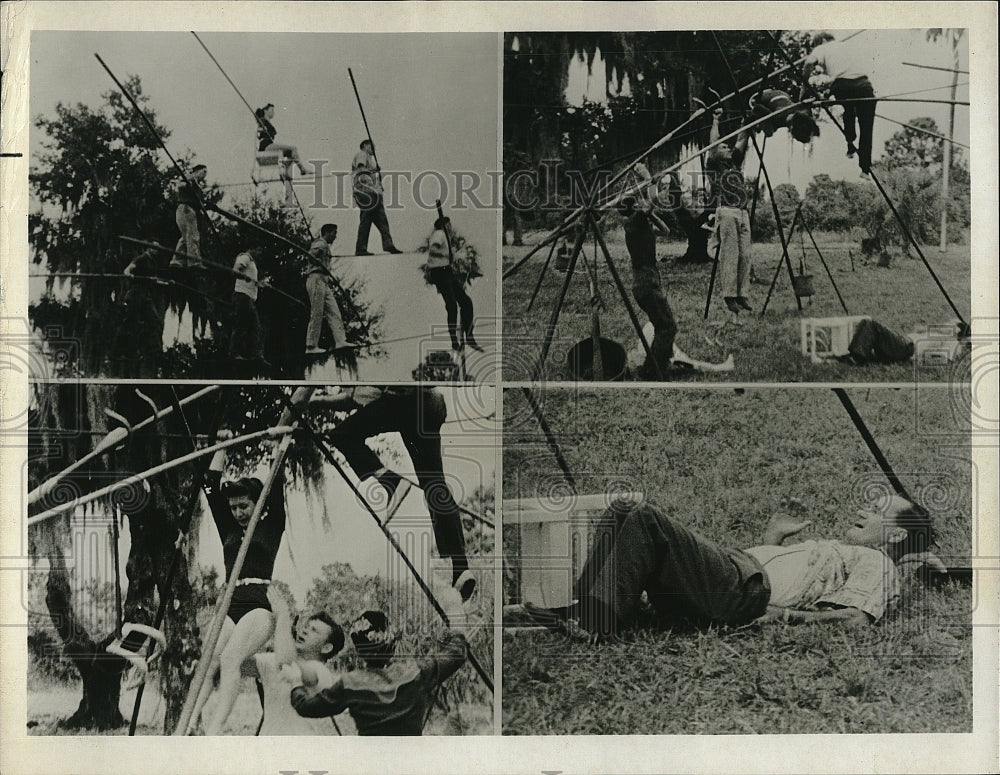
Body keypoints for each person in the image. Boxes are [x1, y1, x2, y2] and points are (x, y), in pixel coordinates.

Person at [514, 493, 938, 640]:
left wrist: (786, 618)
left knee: (643, 518)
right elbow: (783, 575)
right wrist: (773, 535)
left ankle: (598, 620)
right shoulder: (854, 553)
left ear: (896, 536)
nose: (866, 508)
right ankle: (587, 606)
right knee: (625, 509)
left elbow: (858, 620)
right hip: (738, 574)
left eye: (879, 510)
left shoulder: (880, 563)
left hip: (740, 590)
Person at [313, 386, 476, 601]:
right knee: (434, 484)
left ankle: (391, 483)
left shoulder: (365, 365)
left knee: (343, 434)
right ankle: (461, 567)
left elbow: (359, 398)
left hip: (407, 403)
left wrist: (317, 402)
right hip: (432, 403)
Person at [190, 444, 289, 735]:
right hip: (231, 601)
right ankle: (191, 722)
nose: (237, 512)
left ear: (258, 503)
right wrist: (223, 445)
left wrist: (278, 448)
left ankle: (216, 729)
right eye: (233, 507)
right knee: (207, 662)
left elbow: (278, 481)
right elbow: (209, 485)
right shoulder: (230, 528)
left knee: (231, 658)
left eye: (244, 506)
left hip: (259, 603)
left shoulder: (272, 525)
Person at [288, 609, 469, 735]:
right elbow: (458, 651)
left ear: (359, 651)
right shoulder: (416, 673)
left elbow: (305, 707)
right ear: (391, 645)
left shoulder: (350, 683)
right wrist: (455, 612)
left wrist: (296, 682)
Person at [245, 588, 346, 736]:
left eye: (314, 630)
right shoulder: (273, 660)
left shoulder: (321, 673)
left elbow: (286, 662)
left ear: (326, 648)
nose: (304, 631)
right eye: (305, 627)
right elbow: (234, 663)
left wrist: (283, 615)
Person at [801, 33, 877, 177]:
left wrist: (804, 89)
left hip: (842, 85)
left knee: (848, 110)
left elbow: (808, 64)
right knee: (866, 127)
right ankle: (865, 169)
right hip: (864, 85)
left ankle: (850, 140)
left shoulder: (821, 48)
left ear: (822, 40)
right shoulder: (847, 46)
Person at [618, 195, 676, 380]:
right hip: (646, 282)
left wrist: (652, 216)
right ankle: (653, 371)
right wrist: (647, 178)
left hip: (644, 282)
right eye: (639, 201)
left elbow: (666, 231)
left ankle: (655, 367)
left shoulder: (640, 225)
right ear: (635, 207)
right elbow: (653, 201)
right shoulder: (635, 221)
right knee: (667, 327)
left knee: (663, 326)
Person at [705, 107, 752, 320]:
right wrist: (715, 120)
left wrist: (746, 121)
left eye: (727, 145)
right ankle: (729, 295)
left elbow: (743, 137)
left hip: (742, 213)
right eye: (724, 146)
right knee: (730, 255)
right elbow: (713, 144)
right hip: (726, 211)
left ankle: (742, 293)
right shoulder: (713, 165)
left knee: (745, 256)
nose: (727, 147)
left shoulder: (735, 163)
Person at [426, 216, 482, 353]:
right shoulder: (439, 234)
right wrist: (447, 255)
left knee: (466, 302)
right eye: (449, 225)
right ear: (445, 225)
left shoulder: (445, 236)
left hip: (446, 271)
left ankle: (469, 335)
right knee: (452, 306)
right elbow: (432, 249)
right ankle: (454, 342)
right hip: (439, 271)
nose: (451, 228)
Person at [304, 224, 350, 357]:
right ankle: (311, 345)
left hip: (324, 281)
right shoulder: (320, 243)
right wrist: (317, 252)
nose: (336, 236)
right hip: (316, 279)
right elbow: (311, 254)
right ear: (328, 232)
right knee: (317, 312)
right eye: (334, 233)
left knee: (334, 311)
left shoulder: (325, 246)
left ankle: (340, 341)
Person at [352, 139, 403, 256]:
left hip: (375, 193)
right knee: (366, 219)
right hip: (365, 191)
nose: (373, 149)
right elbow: (361, 169)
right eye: (372, 146)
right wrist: (374, 171)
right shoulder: (362, 154)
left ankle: (388, 244)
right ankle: (361, 248)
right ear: (365, 145)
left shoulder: (371, 160)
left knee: (382, 220)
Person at [230, 246, 267, 367]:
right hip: (242, 296)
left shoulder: (252, 263)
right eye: (258, 250)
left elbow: (251, 280)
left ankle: (256, 355)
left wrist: (259, 283)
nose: (259, 253)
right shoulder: (245, 257)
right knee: (241, 325)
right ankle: (236, 353)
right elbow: (235, 270)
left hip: (249, 298)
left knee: (255, 327)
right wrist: (242, 276)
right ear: (253, 249)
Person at [747, 88, 820, 143]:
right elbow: (757, 108)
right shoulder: (778, 115)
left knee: (771, 128)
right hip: (769, 96)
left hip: (782, 95)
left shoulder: (798, 115)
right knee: (769, 132)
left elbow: (808, 118)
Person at [170, 164, 207, 269]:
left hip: (187, 210)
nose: (205, 175)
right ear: (198, 171)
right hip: (186, 209)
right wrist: (190, 179)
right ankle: (194, 262)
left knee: (185, 236)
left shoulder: (196, 185)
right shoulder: (190, 178)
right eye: (204, 172)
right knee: (192, 235)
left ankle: (177, 260)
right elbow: (181, 185)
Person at [256, 103, 308, 176]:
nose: (273, 112)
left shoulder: (267, 123)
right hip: (265, 146)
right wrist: (263, 129)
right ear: (265, 111)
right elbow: (259, 130)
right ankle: (302, 169)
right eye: (272, 110)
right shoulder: (262, 120)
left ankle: (286, 172)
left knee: (291, 153)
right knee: (293, 148)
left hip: (269, 146)